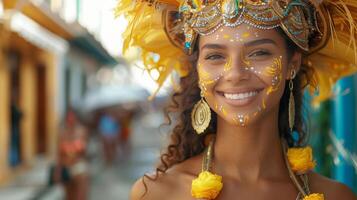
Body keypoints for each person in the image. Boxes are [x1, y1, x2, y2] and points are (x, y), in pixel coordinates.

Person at [116, 0, 357, 199]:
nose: (235, 74)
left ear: (291, 64)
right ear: (198, 69)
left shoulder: (336, 196)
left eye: (259, 52)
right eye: (215, 56)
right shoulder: (156, 194)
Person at [53, 109, 89, 200]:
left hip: (79, 168)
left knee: (80, 196)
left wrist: (76, 147)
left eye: (72, 117)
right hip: (66, 168)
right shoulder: (62, 133)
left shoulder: (82, 131)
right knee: (69, 196)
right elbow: (59, 154)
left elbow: (84, 151)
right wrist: (58, 171)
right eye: (69, 117)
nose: (70, 119)